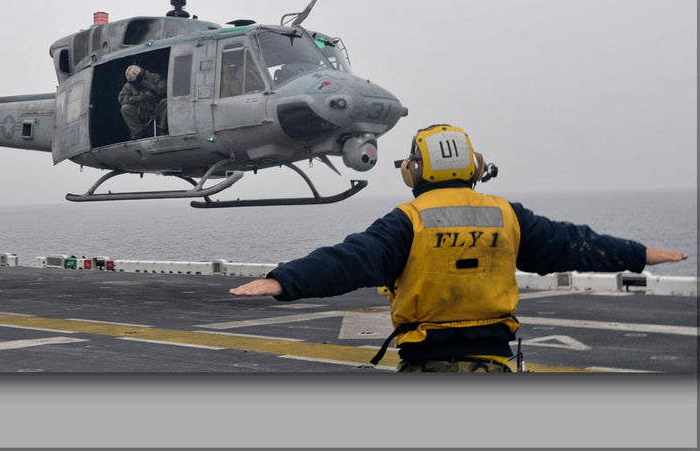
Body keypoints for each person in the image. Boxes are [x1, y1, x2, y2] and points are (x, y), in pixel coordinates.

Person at [230, 123, 689, 372]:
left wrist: (284, 280)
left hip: (428, 365)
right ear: (475, 167)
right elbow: (575, 245)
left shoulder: (407, 222)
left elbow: (352, 260)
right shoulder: (507, 215)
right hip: (494, 366)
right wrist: (638, 253)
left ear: (416, 171)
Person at [119, 64, 168, 140]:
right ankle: (138, 132)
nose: (136, 84)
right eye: (133, 82)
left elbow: (164, 91)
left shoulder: (155, 77)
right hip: (143, 112)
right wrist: (139, 98)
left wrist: (150, 86)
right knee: (125, 108)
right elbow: (122, 99)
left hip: (158, 109)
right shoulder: (129, 85)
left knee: (166, 102)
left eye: (136, 81)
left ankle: (163, 129)